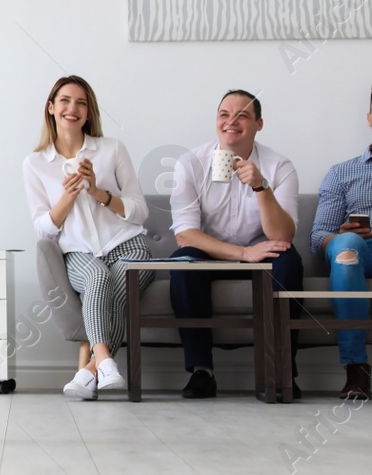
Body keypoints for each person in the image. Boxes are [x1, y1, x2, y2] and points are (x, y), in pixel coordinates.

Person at [21, 76, 150, 400]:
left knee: (115, 293)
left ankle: (89, 370)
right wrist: (68, 196)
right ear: (51, 108)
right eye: (64, 101)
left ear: (89, 112)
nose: (72, 108)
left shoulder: (112, 149)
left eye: (81, 103)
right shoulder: (35, 163)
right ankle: (104, 360)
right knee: (97, 276)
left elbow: (140, 211)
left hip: (127, 244)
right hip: (78, 251)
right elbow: (43, 229)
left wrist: (97, 192)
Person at [169, 89, 303, 399]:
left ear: (259, 124)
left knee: (289, 258)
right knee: (183, 260)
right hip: (212, 252)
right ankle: (201, 371)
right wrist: (242, 254)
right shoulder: (190, 163)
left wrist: (260, 186)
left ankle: (281, 370)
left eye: (242, 115)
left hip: (263, 251)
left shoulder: (279, 166)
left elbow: (282, 235)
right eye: (224, 115)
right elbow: (185, 234)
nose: (232, 121)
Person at [307, 87, 372, 400]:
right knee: (345, 247)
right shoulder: (343, 172)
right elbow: (319, 235)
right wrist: (342, 234)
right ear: (370, 118)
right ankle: (356, 368)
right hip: (358, 251)